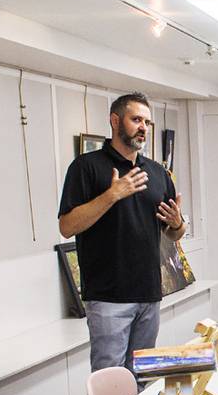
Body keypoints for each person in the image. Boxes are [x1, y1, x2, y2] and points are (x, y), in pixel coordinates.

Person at [58, 92, 185, 373]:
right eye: (136, 119)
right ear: (115, 121)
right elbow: (67, 226)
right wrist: (112, 195)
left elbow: (173, 235)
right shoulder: (86, 167)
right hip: (108, 298)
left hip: (149, 294)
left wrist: (177, 224)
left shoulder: (158, 173)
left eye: (147, 123)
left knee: (143, 377)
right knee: (110, 381)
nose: (143, 128)